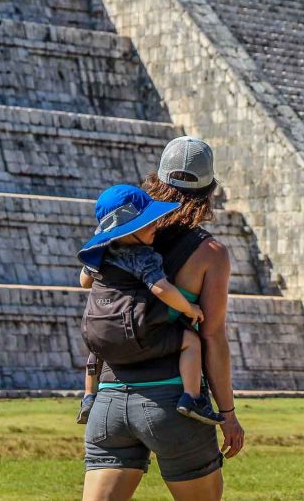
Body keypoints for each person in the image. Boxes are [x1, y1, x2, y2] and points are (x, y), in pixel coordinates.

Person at [82, 137, 244, 501]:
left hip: (107, 401)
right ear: (209, 190)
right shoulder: (210, 253)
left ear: (154, 181)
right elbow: (212, 337)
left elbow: (93, 284)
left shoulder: (117, 235)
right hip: (171, 402)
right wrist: (228, 414)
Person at [76, 184, 224, 425]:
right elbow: (161, 289)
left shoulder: (99, 251)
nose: (156, 225)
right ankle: (191, 397)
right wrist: (189, 309)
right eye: (148, 222)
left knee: (97, 344)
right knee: (191, 342)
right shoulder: (143, 256)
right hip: (135, 333)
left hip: (96, 332)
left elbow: (84, 281)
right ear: (129, 230)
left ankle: (89, 396)